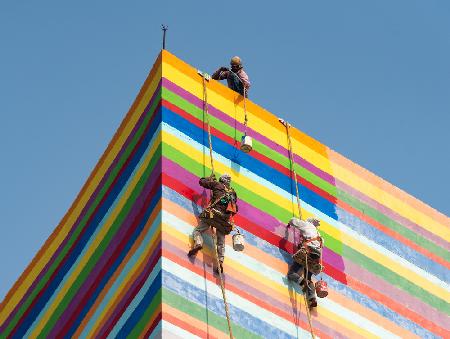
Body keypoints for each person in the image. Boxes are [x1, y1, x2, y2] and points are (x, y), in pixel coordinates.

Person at [188, 173, 238, 273]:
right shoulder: (233, 193)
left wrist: (209, 179)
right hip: (224, 221)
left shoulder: (217, 185)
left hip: (213, 215)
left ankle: (198, 243)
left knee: (198, 231)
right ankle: (220, 261)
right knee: (221, 241)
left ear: (221, 180)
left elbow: (201, 181)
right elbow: (234, 208)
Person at [287, 217, 324, 308]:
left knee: (291, 274)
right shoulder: (319, 236)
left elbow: (293, 221)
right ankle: (312, 298)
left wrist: (289, 224)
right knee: (309, 277)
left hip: (307, 252)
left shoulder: (307, 225)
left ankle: (303, 282)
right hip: (316, 258)